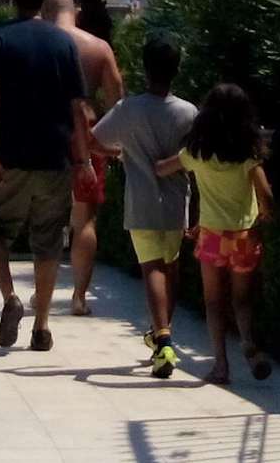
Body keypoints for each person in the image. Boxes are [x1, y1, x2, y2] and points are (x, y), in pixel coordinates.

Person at [0, 0, 88, 354]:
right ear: (42, 0)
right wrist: (83, 159)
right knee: (48, 242)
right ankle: (42, 326)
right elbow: (78, 108)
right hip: (54, 157)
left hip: (8, 157)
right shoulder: (64, 43)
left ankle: (10, 297)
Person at [88, 35, 198, 378]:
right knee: (171, 267)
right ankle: (164, 332)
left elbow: (93, 140)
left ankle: (162, 339)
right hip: (177, 202)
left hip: (141, 201)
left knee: (151, 268)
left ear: (145, 69)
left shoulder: (129, 109)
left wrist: (120, 153)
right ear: (177, 70)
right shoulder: (189, 112)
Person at [157, 82, 274, 385]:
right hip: (244, 235)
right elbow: (266, 195)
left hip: (211, 236)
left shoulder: (197, 152)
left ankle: (221, 366)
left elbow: (163, 169)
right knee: (242, 300)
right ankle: (247, 342)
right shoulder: (249, 154)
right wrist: (263, 216)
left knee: (213, 302)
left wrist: (134, 153)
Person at [45, 0, 124, 316]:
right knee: (85, 220)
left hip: (47, 138)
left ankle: (43, 293)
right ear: (75, 11)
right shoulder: (98, 47)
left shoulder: (39, 44)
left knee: (46, 221)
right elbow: (118, 101)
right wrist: (109, 143)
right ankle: (79, 296)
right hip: (87, 137)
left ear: (46, 12)